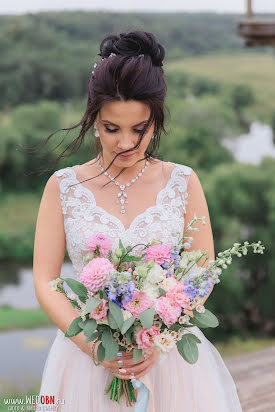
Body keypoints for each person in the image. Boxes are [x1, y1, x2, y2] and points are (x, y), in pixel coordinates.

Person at [33, 30, 243, 411]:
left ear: (156, 120)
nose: (125, 143)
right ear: (94, 117)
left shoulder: (182, 182)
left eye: (139, 129)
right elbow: (46, 283)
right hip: (85, 359)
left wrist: (158, 338)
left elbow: (202, 271)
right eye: (111, 128)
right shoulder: (62, 187)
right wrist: (96, 347)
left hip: (169, 363)